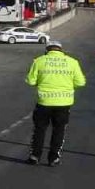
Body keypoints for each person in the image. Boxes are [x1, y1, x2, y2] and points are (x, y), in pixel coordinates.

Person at [24, 39, 86, 167]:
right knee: (59, 130)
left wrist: (40, 82)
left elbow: (30, 81)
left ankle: (35, 156)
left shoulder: (39, 61)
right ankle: (53, 158)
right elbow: (81, 82)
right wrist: (68, 85)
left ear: (47, 50)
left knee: (39, 130)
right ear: (61, 50)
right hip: (63, 103)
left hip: (44, 102)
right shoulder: (72, 62)